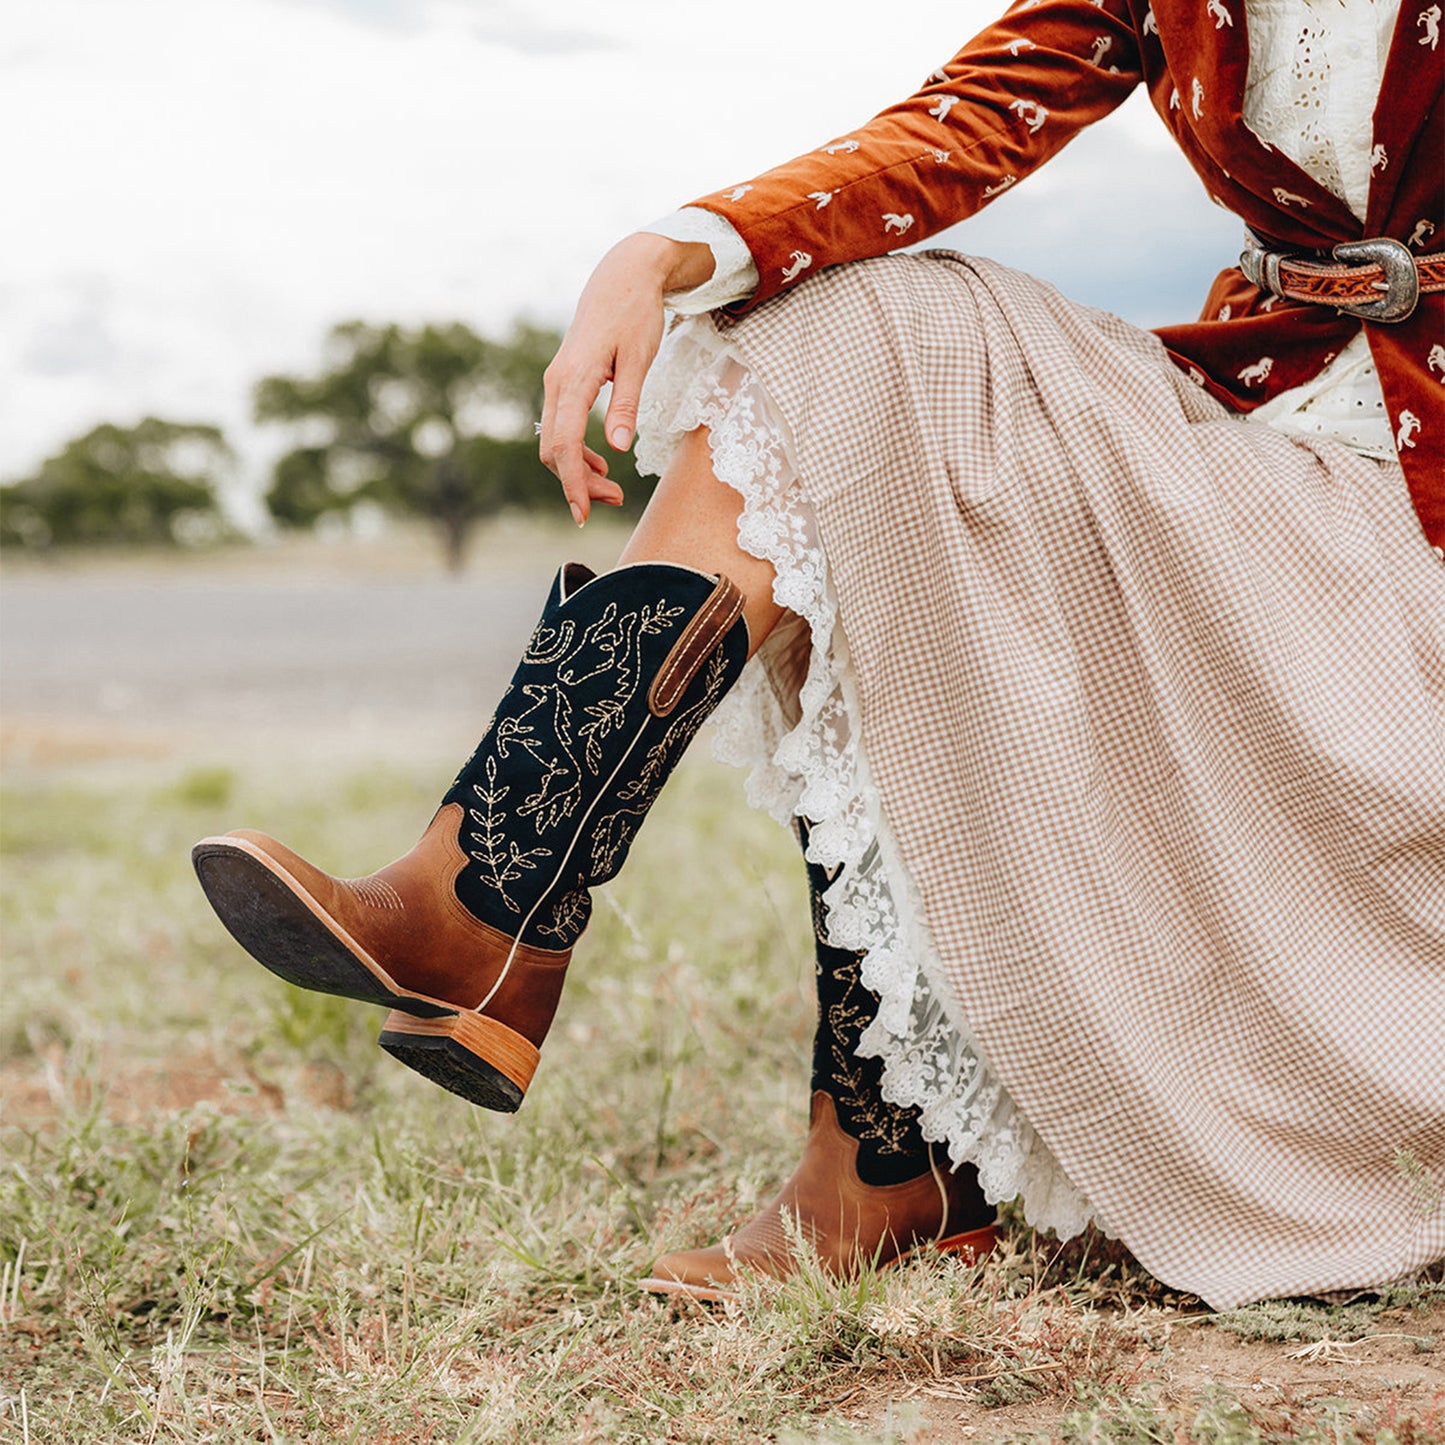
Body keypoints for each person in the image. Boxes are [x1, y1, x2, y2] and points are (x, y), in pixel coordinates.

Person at [194, 0, 1444, 1312]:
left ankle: (584, 974)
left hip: (1409, 520)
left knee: (870, 376)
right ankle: (513, 897)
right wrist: (669, 247)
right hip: (1265, 416)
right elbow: (961, 122)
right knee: (839, 331)